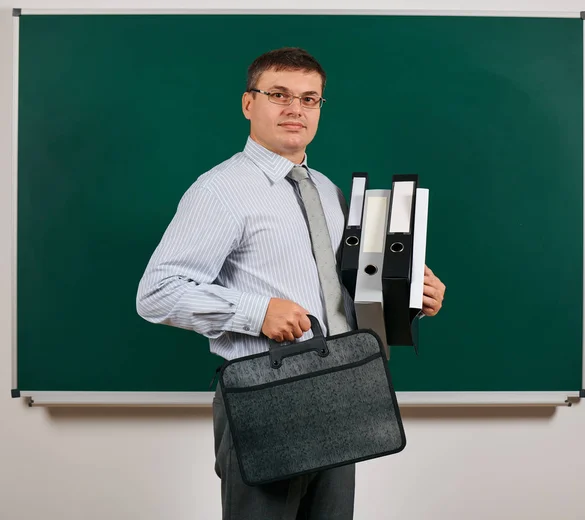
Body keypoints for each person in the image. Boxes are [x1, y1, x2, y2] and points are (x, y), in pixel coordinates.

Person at [136, 47, 446, 520]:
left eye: (309, 99)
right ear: (248, 104)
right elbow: (157, 292)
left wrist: (408, 299)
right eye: (278, 95)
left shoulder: (326, 188)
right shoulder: (219, 190)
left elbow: (339, 294)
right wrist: (255, 312)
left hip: (342, 387)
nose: (294, 110)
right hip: (266, 394)